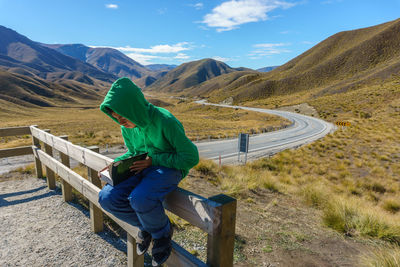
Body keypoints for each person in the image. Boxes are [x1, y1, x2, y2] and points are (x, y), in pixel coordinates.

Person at [97, 77, 199, 266]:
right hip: (142, 167)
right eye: (116, 118)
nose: (120, 122)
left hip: (169, 168)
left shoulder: (165, 121)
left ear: (133, 108)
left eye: (123, 116)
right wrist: (115, 164)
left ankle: (162, 234)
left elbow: (191, 157)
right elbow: (134, 152)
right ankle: (148, 226)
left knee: (140, 198)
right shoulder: (126, 127)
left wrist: (154, 160)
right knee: (107, 198)